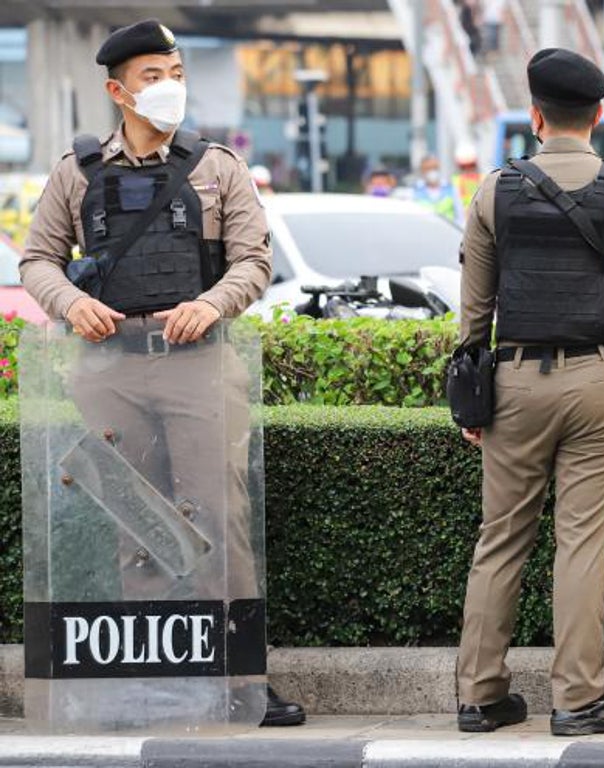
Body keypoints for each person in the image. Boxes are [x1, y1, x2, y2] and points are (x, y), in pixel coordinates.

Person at [18, 19, 304, 728]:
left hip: (199, 366)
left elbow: (254, 261)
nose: (169, 86)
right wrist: (71, 301)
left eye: (176, 71)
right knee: (138, 524)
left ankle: (241, 680)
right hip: (110, 367)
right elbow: (36, 260)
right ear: (118, 90)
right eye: (152, 75)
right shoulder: (77, 171)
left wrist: (211, 304)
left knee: (220, 518)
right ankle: (152, 681)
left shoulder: (217, 166)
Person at [454, 48, 604, 736]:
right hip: (599, 377)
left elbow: (474, 310)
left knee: (501, 538)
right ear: (599, 116)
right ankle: (578, 700)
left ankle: (479, 696)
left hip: (516, 377)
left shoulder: (493, 190)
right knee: (580, 541)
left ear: (535, 114)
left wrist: (473, 394)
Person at [411, 155, 462, 222]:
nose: (432, 171)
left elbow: (460, 217)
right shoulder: (415, 191)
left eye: (435, 168)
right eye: (428, 168)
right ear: (422, 170)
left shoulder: (450, 189)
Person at [452, 144, 483, 211]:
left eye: (471, 165)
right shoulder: (455, 181)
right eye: (464, 167)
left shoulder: (483, 179)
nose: (468, 169)